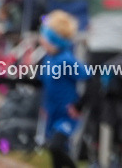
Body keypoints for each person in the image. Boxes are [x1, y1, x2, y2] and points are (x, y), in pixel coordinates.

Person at [51, 0, 122, 158]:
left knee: (94, 99)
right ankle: (116, 152)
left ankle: (93, 151)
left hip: (100, 50)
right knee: (117, 103)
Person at [37, 10, 90, 168]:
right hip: (52, 112)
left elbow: (89, 78)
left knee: (56, 147)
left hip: (66, 115)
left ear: (54, 39)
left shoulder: (66, 60)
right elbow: (45, 85)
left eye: (44, 37)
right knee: (54, 151)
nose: (41, 40)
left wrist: (79, 104)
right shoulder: (48, 59)